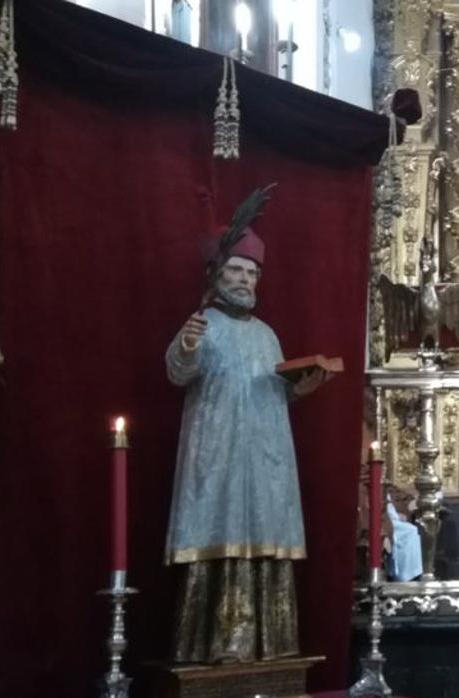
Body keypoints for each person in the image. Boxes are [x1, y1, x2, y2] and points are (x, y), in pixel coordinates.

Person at [165, 191, 332, 663]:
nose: (244, 279)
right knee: (218, 538)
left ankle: (270, 648)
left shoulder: (267, 334)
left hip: (265, 460)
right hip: (215, 457)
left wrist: (302, 387)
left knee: (266, 539)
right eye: (235, 270)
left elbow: (272, 391)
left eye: (251, 272)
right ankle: (212, 651)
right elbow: (177, 372)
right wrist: (187, 345)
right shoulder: (203, 324)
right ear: (217, 275)